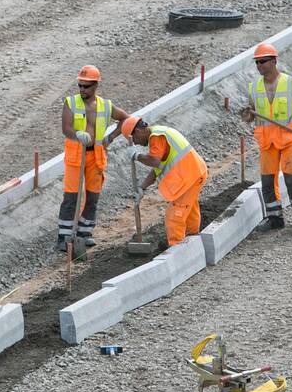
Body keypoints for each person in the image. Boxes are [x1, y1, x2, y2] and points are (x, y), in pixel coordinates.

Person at [239, 43, 292, 233]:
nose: (259, 65)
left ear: (274, 61)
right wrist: (247, 117)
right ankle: (275, 219)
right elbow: (253, 115)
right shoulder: (254, 88)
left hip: (290, 140)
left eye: (263, 61)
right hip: (267, 143)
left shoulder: (291, 84)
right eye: (257, 62)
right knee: (268, 182)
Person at [56, 65, 131, 252]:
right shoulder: (71, 103)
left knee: (93, 196)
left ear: (96, 85)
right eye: (80, 86)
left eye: (86, 86)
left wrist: (110, 138)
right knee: (71, 196)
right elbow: (66, 128)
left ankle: (84, 233)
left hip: (96, 156)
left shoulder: (105, 106)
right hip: (76, 155)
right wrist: (77, 134)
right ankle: (64, 236)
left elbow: (126, 119)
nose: (82, 90)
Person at [121, 116, 209, 247]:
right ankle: (193, 242)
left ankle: (177, 250)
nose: (137, 144)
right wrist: (142, 187)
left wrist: (136, 156)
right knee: (189, 211)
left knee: (174, 215)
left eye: (135, 141)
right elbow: (158, 168)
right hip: (194, 174)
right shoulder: (160, 134)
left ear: (138, 132)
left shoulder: (156, 137)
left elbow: (154, 161)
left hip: (189, 177)